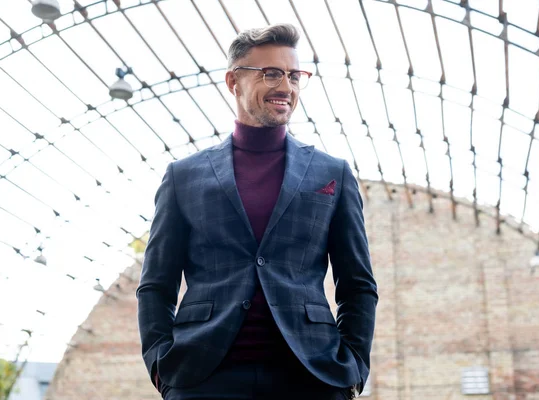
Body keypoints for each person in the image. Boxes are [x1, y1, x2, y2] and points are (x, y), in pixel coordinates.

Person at [137, 23, 378, 400]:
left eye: (294, 75)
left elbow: (358, 283)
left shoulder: (333, 173)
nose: (286, 87)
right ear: (234, 82)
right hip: (203, 375)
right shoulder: (183, 176)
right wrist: (159, 364)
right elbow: (156, 284)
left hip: (314, 373)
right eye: (271, 74)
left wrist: (354, 367)